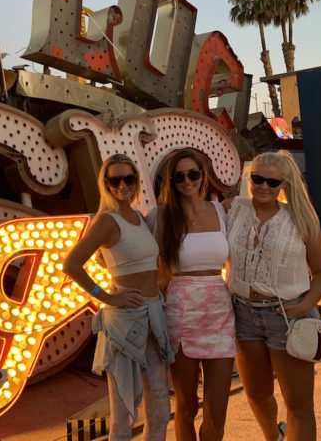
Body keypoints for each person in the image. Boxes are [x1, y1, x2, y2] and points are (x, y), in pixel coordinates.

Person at [63, 154, 173, 441]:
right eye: (115, 180)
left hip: (153, 316)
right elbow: (71, 264)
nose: (122, 185)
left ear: (136, 181)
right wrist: (109, 299)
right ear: (106, 184)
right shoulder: (106, 220)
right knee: (123, 414)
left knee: (160, 411)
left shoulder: (137, 217)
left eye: (128, 178)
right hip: (126, 322)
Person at [224, 150, 321, 441]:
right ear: (250, 177)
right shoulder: (232, 209)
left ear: (284, 185)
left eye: (273, 182)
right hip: (243, 314)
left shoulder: (300, 218)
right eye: (257, 179)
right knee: (257, 395)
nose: (264, 187)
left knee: (298, 404)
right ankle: (274, 437)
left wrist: (305, 306)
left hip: (287, 315)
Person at [154, 149, 235, 441]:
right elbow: (131, 249)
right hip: (181, 314)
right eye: (179, 176)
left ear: (203, 177)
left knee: (217, 415)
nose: (187, 181)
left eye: (193, 174)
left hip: (219, 314)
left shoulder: (220, 210)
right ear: (172, 181)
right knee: (187, 407)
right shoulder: (163, 216)